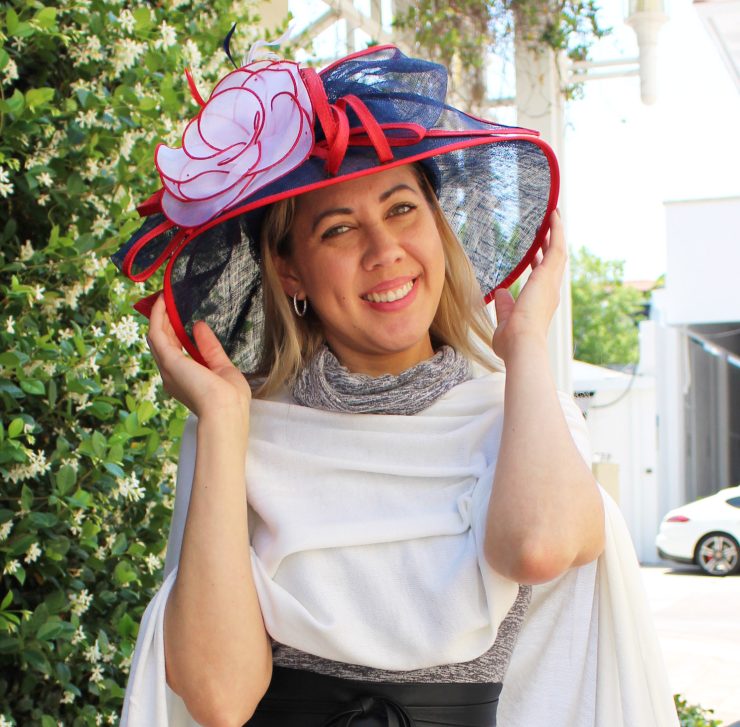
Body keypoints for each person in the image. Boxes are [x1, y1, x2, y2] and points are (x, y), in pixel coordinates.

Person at [114, 41, 678, 727]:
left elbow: (540, 545)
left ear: (439, 229)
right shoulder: (236, 431)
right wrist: (227, 423)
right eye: (339, 228)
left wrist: (525, 346)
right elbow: (217, 696)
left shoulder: (524, 413)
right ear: (290, 272)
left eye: (403, 210)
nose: (384, 252)